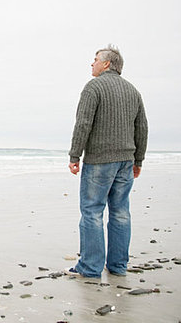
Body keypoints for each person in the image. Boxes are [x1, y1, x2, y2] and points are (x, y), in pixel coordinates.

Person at [67, 45, 148, 278]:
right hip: (125, 160)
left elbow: (83, 123)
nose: (91, 63)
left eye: (94, 59)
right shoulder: (133, 91)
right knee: (121, 212)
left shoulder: (94, 87)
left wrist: (75, 155)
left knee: (92, 211)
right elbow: (141, 127)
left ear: (107, 64)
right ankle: (118, 266)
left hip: (100, 160)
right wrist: (138, 160)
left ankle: (90, 268)